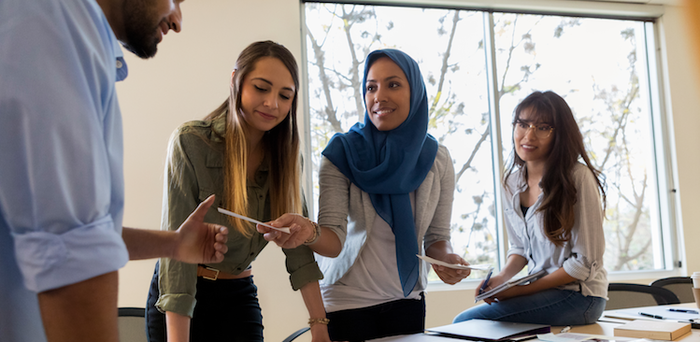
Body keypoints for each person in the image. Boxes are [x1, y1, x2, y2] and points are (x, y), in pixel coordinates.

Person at [0, 1, 230, 342]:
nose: (178, 20)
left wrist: (175, 244)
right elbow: (71, 250)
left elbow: (63, 227)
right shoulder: (54, 21)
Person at [271, 49, 470, 342]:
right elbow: (333, 240)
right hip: (346, 303)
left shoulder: (437, 158)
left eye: (393, 84)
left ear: (414, 92)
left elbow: (437, 237)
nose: (379, 96)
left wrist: (448, 260)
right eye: (371, 87)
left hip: (408, 300)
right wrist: (309, 232)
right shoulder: (341, 153)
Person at [145, 41, 330, 342]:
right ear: (236, 81)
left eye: (285, 96)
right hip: (181, 296)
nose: (272, 103)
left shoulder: (287, 159)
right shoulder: (190, 142)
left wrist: (319, 326)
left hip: (238, 296)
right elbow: (175, 253)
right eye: (261, 88)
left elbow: (299, 249)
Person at [452, 91, 607, 326]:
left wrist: (520, 291)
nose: (529, 135)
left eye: (543, 127)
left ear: (560, 135)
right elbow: (520, 248)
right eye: (523, 124)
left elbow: (584, 263)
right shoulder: (511, 183)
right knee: (468, 322)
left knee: (467, 322)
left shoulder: (578, 177)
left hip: (580, 297)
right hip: (540, 292)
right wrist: (503, 278)